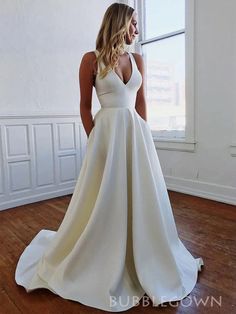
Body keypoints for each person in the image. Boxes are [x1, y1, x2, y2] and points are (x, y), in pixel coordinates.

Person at [15, 2, 204, 312]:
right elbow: (84, 107)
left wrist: (145, 136)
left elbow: (141, 102)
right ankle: (100, 254)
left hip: (135, 137)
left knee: (144, 197)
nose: (137, 30)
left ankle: (144, 253)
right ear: (118, 23)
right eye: (133, 24)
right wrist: (95, 142)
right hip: (106, 137)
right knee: (105, 197)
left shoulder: (138, 59)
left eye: (138, 24)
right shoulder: (91, 60)